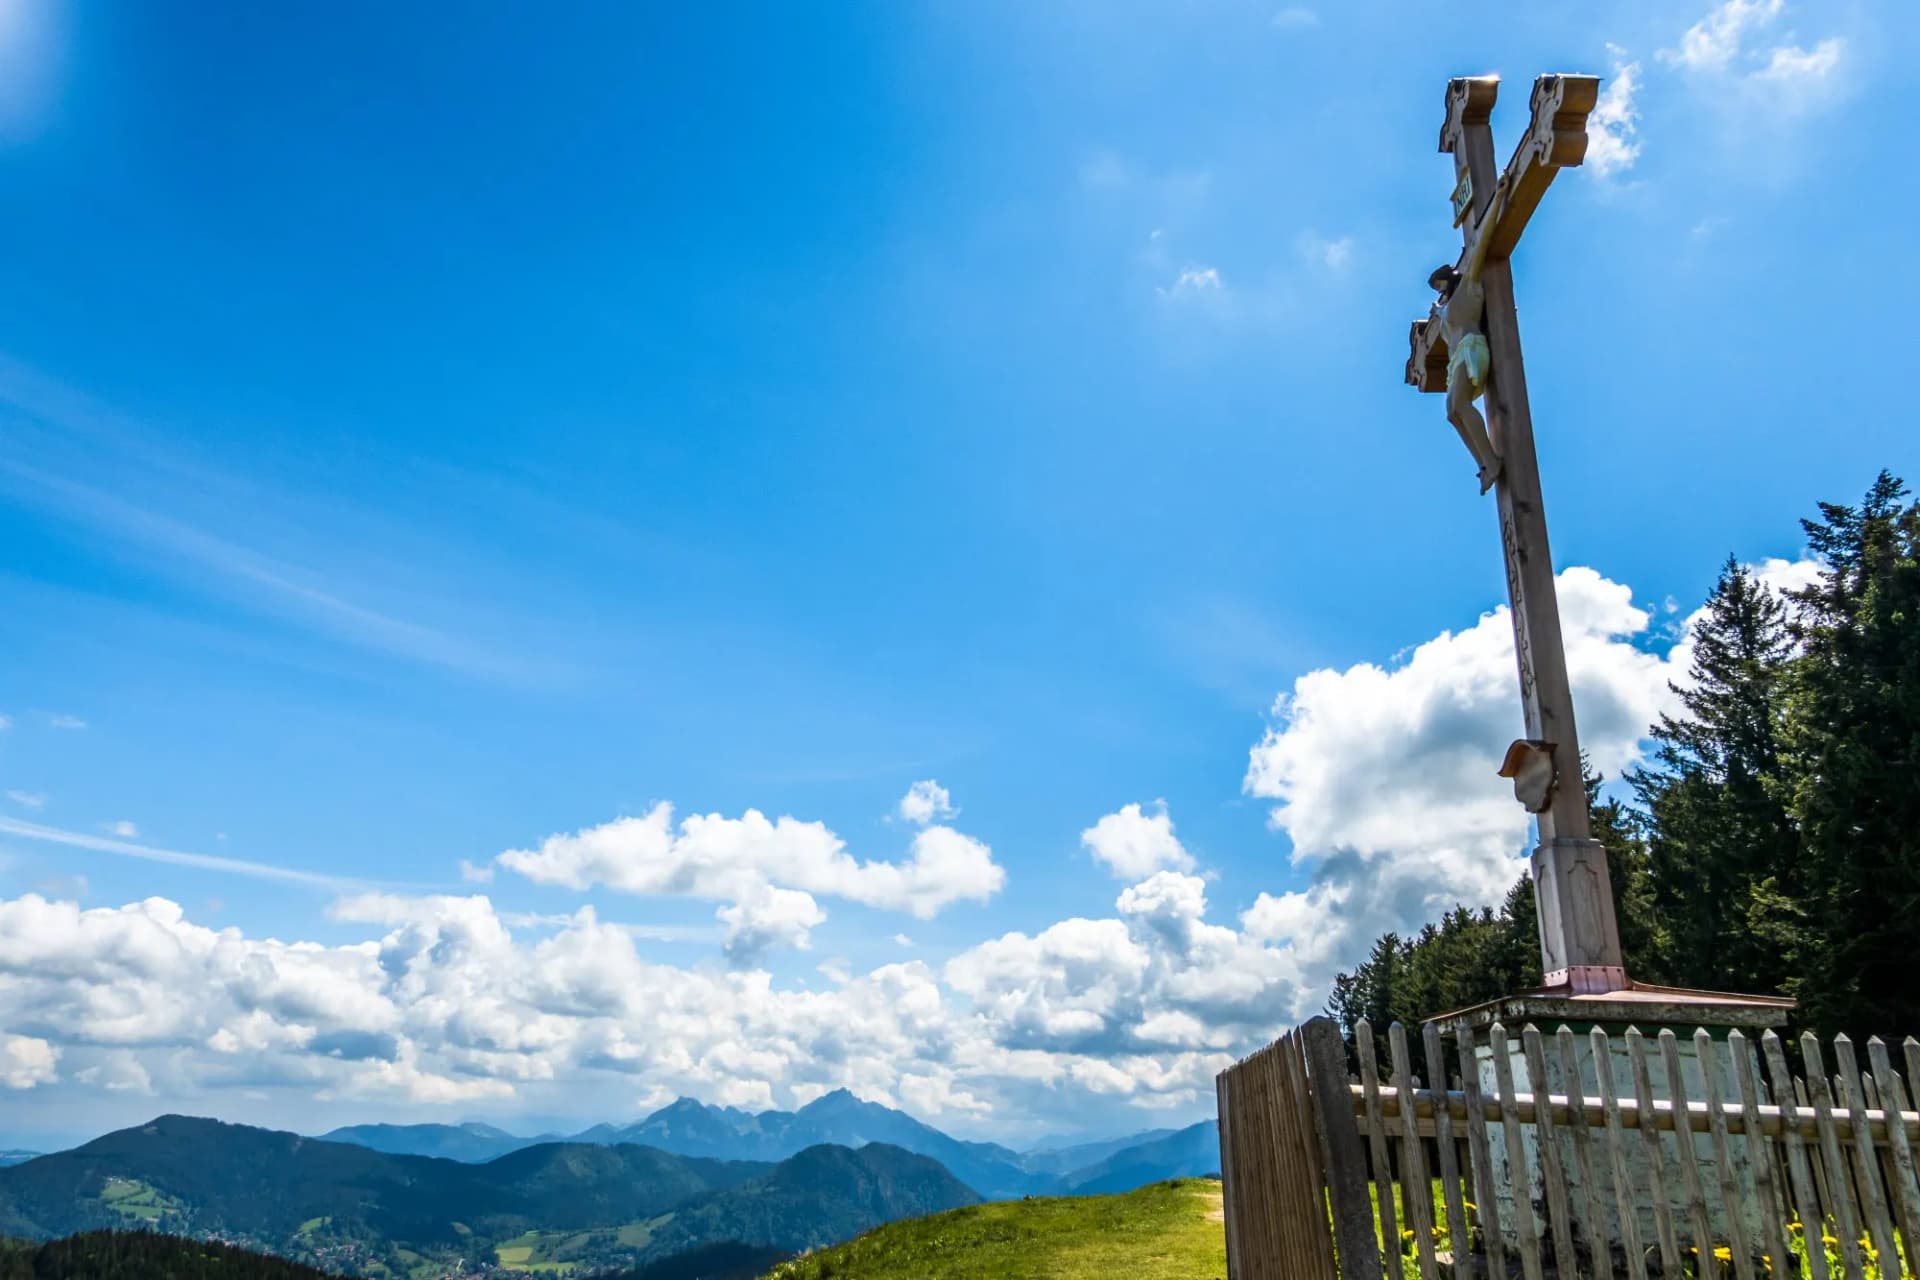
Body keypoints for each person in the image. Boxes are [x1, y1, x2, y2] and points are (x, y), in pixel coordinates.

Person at [1429, 178, 1507, 494]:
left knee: (1459, 404)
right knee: (1452, 412)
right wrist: (1438, 314)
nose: (1440, 293)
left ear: (1449, 280)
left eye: (1440, 286)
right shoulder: (1444, 312)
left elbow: (1479, 245)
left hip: (1473, 347)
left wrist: (1499, 197)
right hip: (1457, 356)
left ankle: (1492, 459)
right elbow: (1443, 325)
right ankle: (1485, 464)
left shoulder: (1469, 286)